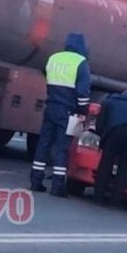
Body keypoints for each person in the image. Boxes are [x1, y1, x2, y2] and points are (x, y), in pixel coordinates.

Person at [30, 33, 91, 196]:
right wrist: (83, 112)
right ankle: (57, 187)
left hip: (50, 107)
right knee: (62, 148)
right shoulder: (81, 63)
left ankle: (35, 181)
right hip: (68, 112)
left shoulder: (54, 58)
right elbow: (83, 94)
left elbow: (46, 74)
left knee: (43, 143)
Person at [93, 92, 127, 206]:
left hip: (114, 132)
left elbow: (99, 125)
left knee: (106, 164)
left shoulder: (109, 103)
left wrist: (103, 135)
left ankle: (98, 197)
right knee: (124, 168)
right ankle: (116, 200)